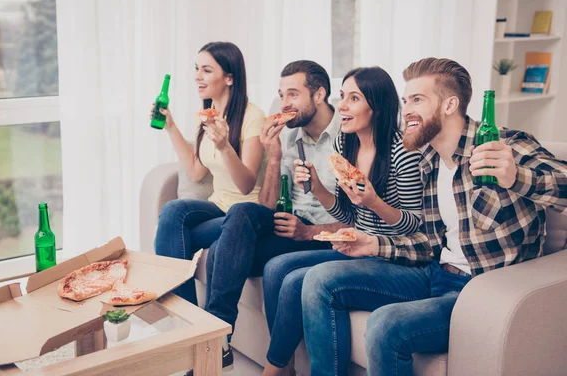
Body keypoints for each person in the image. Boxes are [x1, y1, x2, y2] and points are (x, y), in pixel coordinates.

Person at [301, 57, 567, 376]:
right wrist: (373, 244)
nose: (407, 110)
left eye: (418, 100)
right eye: (405, 100)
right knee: (319, 279)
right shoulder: (429, 161)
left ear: (449, 104)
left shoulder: (503, 145)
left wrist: (516, 176)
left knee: (385, 324)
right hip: (433, 272)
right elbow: (428, 243)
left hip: (478, 291)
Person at [261, 66, 423, 376]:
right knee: (276, 268)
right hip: (358, 244)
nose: (343, 107)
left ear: (377, 106)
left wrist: (374, 202)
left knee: (300, 279)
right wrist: (316, 188)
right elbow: (349, 215)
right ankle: (284, 367)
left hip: (394, 255)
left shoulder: (402, 151)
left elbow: (414, 225)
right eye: (343, 97)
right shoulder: (345, 146)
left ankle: (274, 370)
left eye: (354, 99)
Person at [203, 60, 345, 370]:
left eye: (292, 95)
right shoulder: (289, 136)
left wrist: (308, 231)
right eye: (281, 95)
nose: (284, 104)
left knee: (218, 253)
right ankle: (218, 335)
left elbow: (357, 221)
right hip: (288, 226)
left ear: (319, 95)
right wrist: (275, 154)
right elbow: (267, 206)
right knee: (240, 216)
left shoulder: (347, 137)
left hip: (323, 236)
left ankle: (215, 342)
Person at [153, 41, 265, 306]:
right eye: (196, 69)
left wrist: (225, 147)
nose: (197, 77)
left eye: (206, 70)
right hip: (219, 207)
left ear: (229, 78)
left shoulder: (253, 117)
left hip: (246, 215)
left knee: (173, 238)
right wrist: (170, 126)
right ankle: (189, 317)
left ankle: (186, 321)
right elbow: (195, 171)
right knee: (172, 211)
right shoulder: (206, 115)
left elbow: (247, 184)